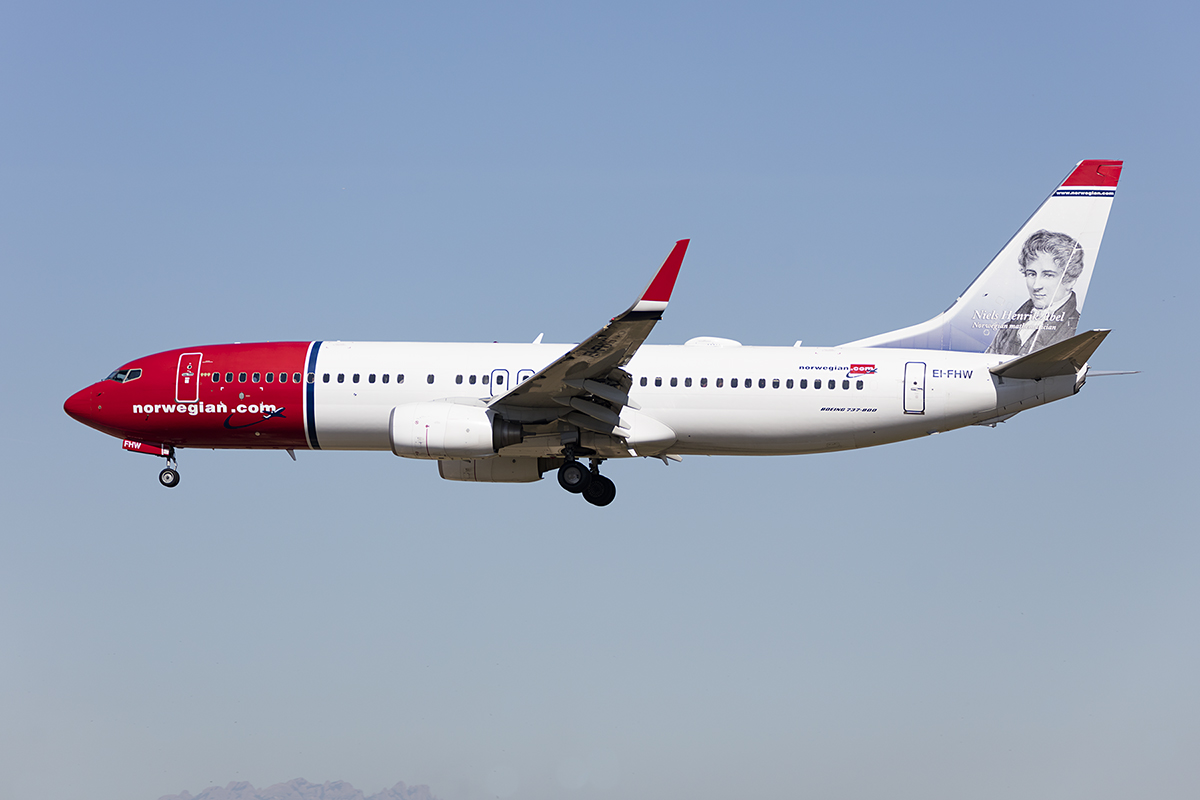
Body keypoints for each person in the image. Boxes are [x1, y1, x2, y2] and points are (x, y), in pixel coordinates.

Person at [986, 229, 1084, 355]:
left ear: (1070, 280)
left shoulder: (1072, 328)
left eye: (1048, 275)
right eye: (1031, 274)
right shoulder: (1009, 327)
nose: (1036, 286)